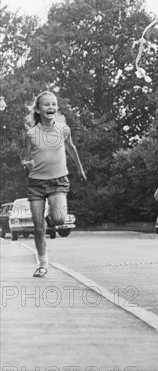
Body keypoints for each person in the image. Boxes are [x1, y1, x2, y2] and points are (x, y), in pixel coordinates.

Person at [21, 91, 86, 278]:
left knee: (58, 219)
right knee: (37, 226)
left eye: (53, 104)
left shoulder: (64, 129)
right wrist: (26, 164)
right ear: (38, 109)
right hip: (36, 183)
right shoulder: (31, 133)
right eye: (46, 104)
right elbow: (25, 157)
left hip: (58, 181)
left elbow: (71, 149)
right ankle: (42, 264)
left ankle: (51, 218)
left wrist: (80, 169)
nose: (51, 107)